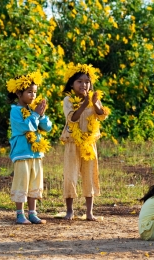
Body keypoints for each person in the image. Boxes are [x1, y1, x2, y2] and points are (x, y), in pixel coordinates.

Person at [60, 63, 110, 221]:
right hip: (72, 143)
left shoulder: (94, 98)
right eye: (79, 82)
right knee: (70, 175)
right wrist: (84, 104)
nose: (84, 85)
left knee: (90, 175)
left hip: (89, 143)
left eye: (87, 81)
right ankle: (70, 211)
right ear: (72, 84)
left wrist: (94, 102)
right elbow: (72, 119)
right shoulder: (68, 100)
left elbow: (101, 115)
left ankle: (89, 212)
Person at [7, 72, 52, 224]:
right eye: (29, 92)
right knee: (22, 182)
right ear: (19, 93)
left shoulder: (34, 111)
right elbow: (26, 127)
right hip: (22, 153)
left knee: (35, 182)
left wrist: (41, 115)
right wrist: (35, 115)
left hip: (36, 153)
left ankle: (32, 213)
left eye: (35, 92)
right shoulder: (15, 111)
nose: (33, 95)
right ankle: (20, 214)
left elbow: (46, 127)